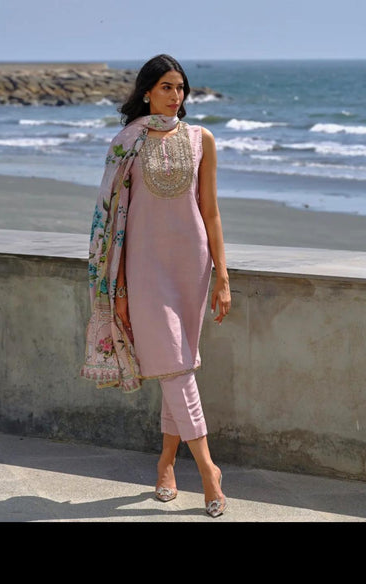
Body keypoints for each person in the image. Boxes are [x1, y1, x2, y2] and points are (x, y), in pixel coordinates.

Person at [81, 54, 231, 517]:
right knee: (174, 363)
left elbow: (210, 212)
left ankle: (166, 462)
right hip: (144, 270)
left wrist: (223, 275)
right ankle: (209, 469)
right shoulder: (127, 143)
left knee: (176, 365)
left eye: (181, 88)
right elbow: (112, 222)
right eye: (167, 86)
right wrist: (119, 287)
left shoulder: (201, 139)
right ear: (147, 91)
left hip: (192, 266)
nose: (176, 95)